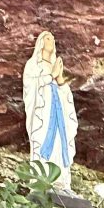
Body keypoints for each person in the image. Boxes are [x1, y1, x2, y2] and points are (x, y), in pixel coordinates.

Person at [22, 31, 78, 190]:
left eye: (53, 38)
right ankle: (42, 179)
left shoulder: (54, 66)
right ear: (40, 42)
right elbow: (30, 86)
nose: (51, 41)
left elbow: (65, 91)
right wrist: (50, 75)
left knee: (60, 142)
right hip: (44, 112)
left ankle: (61, 182)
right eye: (47, 38)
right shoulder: (33, 65)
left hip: (58, 110)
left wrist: (60, 79)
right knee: (43, 140)